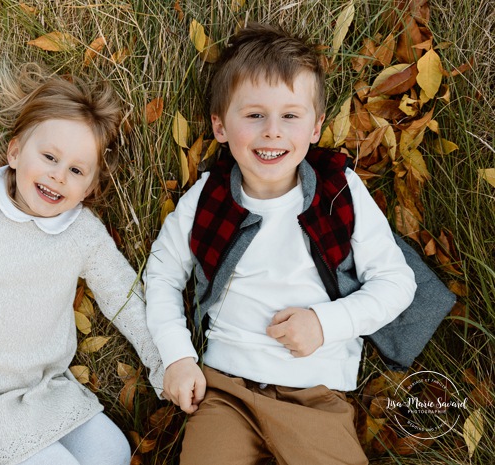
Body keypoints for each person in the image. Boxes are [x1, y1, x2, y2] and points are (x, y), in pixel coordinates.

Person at [145, 23, 417, 465]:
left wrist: (326, 324)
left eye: (290, 116)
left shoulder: (338, 189)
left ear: (315, 127)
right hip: (225, 390)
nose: (272, 131)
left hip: (315, 394)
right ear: (219, 125)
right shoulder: (208, 196)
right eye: (254, 115)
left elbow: (395, 282)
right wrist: (177, 356)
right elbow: (160, 275)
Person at [0, 66, 164, 465]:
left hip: (44, 390)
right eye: (50, 157)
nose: (58, 176)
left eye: (75, 170)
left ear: (88, 188)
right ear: (16, 152)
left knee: (113, 452)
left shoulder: (83, 234)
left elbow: (123, 297)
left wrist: (163, 363)